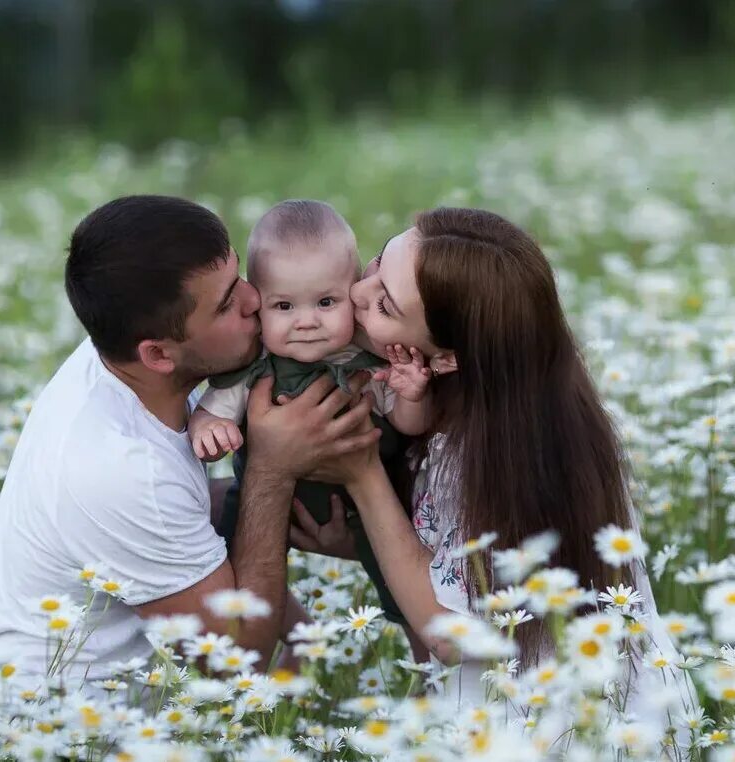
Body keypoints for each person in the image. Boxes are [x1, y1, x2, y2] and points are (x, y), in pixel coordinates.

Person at [0, 195, 380, 699]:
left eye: (239, 276)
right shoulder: (120, 467)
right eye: (225, 305)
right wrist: (272, 470)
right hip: (25, 735)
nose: (254, 300)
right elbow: (238, 657)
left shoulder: (119, 348)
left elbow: (186, 517)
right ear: (157, 354)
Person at [293, 207, 698, 726]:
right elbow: (473, 568)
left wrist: (362, 473)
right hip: (634, 710)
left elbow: (450, 635)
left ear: (445, 359)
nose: (356, 292)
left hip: (554, 729)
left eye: (384, 305)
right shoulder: (539, 413)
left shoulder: (481, 459)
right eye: (375, 264)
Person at [188, 199, 433, 627]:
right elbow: (213, 412)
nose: (306, 322)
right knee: (234, 563)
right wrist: (209, 428)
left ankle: (426, 663)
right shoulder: (256, 368)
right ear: (257, 303)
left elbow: (408, 425)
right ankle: (276, 641)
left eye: (325, 302)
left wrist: (412, 394)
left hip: (367, 507)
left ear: (353, 291)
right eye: (284, 307)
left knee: (403, 587)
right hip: (266, 506)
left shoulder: (366, 362)